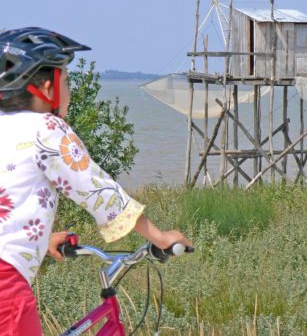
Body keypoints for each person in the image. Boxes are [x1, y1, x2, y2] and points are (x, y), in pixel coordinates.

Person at [0, 27, 192, 335]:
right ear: (48, 87)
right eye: (67, 79)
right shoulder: (47, 128)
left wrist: (40, 240)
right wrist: (161, 237)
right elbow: (100, 192)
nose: (71, 91)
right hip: (5, 290)